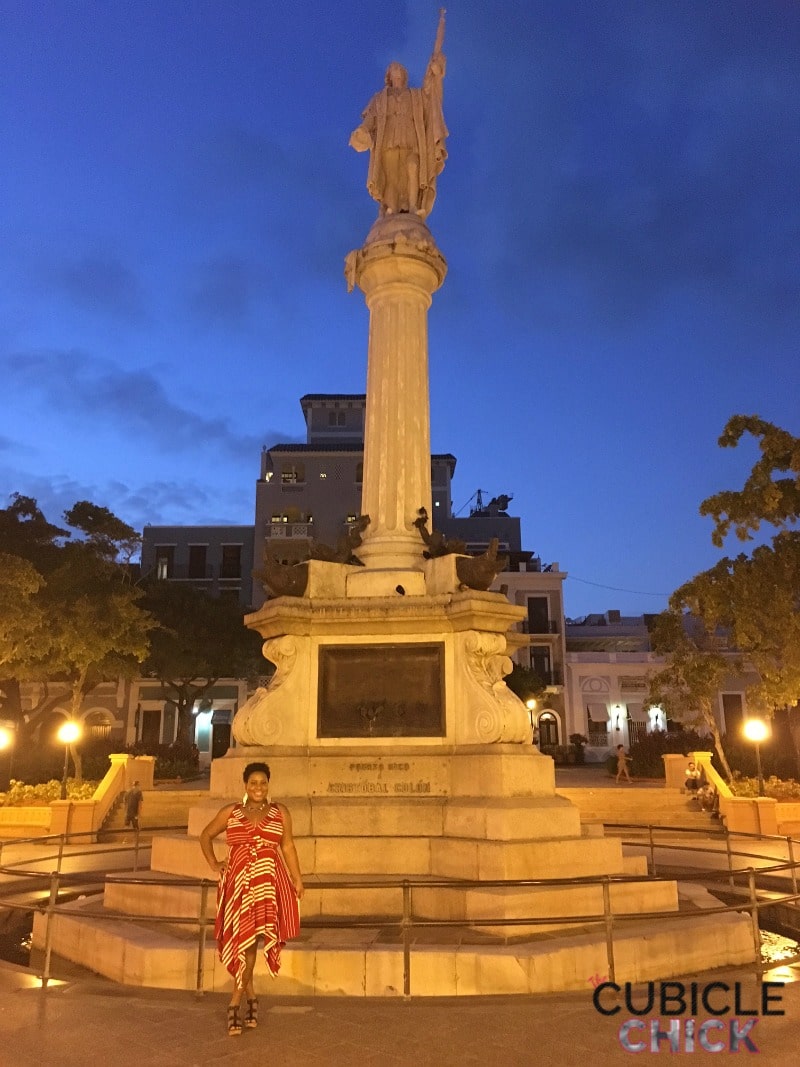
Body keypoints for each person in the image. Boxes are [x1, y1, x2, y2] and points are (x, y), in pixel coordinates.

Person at [200, 762, 304, 1036]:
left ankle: (234, 1003)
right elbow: (206, 835)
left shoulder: (280, 812)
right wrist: (214, 863)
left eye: (263, 782)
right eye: (253, 783)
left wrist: (297, 878)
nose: (258, 787)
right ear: (245, 785)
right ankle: (251, 998)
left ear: (269, 785)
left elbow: (288, 846)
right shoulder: (231, 812)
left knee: (250, 944)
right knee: (242, 942)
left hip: (267, 884)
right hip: (237, 885)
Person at [349, 9, 447, 219]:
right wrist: (363, 131)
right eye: (393, 72)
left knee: (413, 166)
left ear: (404, 75)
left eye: (399, 71)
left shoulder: (415, 95)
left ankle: (413, 208)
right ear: (389, 77)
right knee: (392, 176)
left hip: (412, 137)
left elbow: (430, 92)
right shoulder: (380, 99)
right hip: (389, 138)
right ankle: (391, 208)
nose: (397, 74)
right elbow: (371, 119)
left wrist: (436, 70)